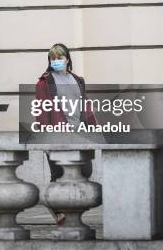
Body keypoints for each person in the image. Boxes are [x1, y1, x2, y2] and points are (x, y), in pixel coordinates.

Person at [35, 43, 97, 224]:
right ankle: (56, 207)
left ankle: (64, 208)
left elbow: (85, 105)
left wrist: (93, 127)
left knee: (85, 170)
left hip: (79, 133)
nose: (56, 61)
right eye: (52, 58)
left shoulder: (77, 79)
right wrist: (46, 137)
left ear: (67, 59)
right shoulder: (45, 82)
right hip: (57, 133)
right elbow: (41, 111)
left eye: (59, 57)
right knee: (58, 173)